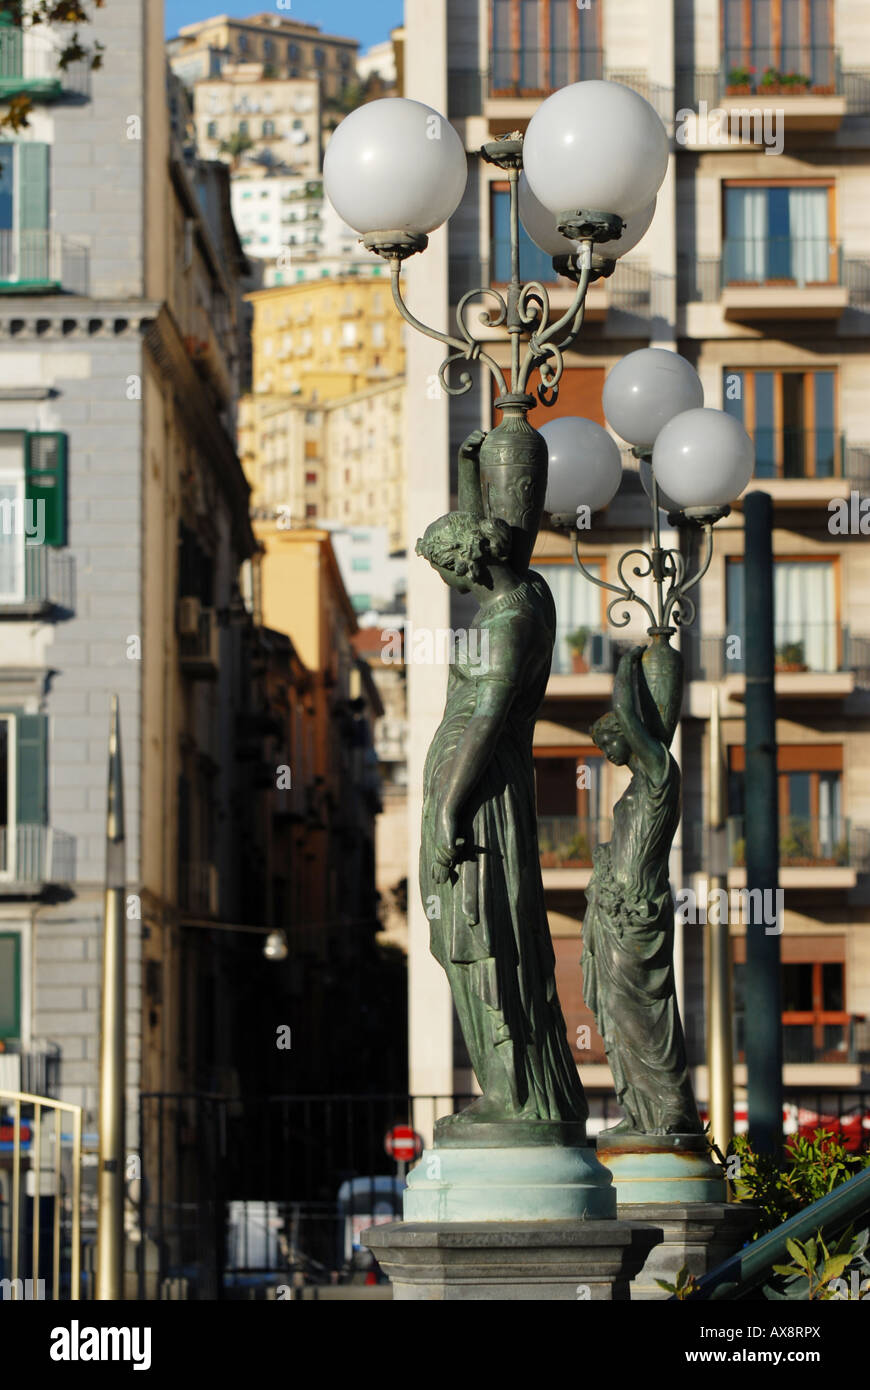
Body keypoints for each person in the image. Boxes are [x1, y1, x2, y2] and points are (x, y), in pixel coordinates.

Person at [416, 509, 587, 1128]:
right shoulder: (528, 592)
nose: (443, 578)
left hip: (479, 797)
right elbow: (497, 541)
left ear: (469, 561)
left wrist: (448, 809)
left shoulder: (509, 625)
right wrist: (471, 473)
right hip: (477, 785)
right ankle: (507, 1086)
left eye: (444, 566)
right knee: (471, 935)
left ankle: (512, 1093)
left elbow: (486, 718)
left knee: (479, 935)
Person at [582, 642, 702, 1135]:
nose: (606, 753)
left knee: (646, 1014)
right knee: (616, 1011)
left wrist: (627, 666)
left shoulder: (658, 773)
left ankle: (672, 1110)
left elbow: (632, 720)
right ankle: (639, 1111)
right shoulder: (634, 789)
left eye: (608, 742)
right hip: (618, 915)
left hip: (641, 915)